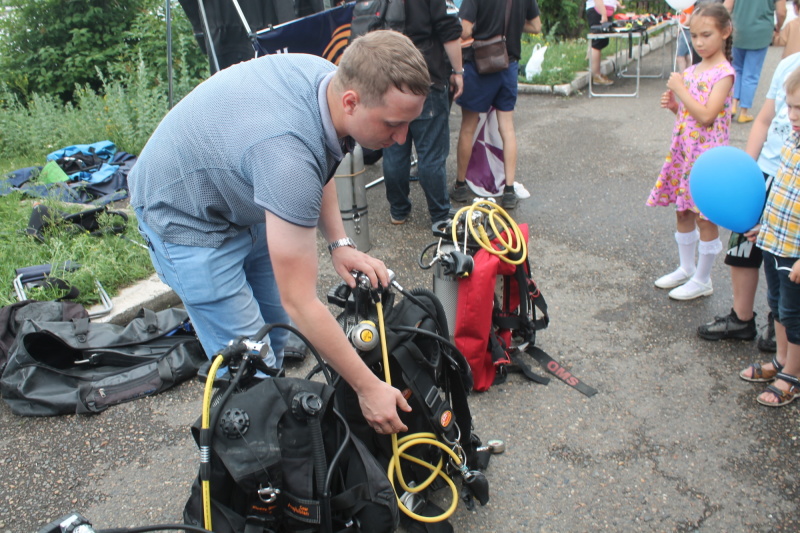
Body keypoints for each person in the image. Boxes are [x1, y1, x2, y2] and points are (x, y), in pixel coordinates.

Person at [128, 30, 431, 435]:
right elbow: (301, 302)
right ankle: (256, 461)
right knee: (252, 369)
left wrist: (339, 244)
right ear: (351, 102)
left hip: (246, 191)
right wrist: (368, 387)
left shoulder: (328, 79)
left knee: (283, 337)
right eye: (394, 124)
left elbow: (322, 155)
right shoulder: (286, 158)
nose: (401, 139)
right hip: (185, 217)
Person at [697, 54, 800, 348]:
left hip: (794, 181)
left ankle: (780, 323)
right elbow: (765, 119)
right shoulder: (788, 64)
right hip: (766, 172)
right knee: (743, 247)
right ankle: (741, 318)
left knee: (785, 261)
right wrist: (749, 169)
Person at [646, 3, 734, 301]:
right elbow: (692, 117)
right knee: (683, 210)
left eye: (706, 35)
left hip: (708, 159)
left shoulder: (724, 73)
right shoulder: (694, 69)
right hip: (685, 153)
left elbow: (708, 116)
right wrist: (675, 107)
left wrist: (681, 91)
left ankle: (703, 277)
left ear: (725, 32)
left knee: (704, 216)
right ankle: (686, 267)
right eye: (694, 36)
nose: (699, 42)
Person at [738, 66, 800, 406]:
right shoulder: (791, 142)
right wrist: (767, 228)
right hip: (777, 241)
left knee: (795, 314)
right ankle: (780, 359)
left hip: (796, 253)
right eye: (790, 107)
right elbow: (783, 197)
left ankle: (793, 374)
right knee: (777, 307)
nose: (792, 116)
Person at [449, 0, 541, 210]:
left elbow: (464, 30)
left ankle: (460, 185)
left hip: (480, 64)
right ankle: (508, 190)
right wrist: (511, 28)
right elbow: (536, 26)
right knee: (507, 129)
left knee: (468, 128)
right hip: (508, 65)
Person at [382, 0, 464, 226]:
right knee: (431, 153)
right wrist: (458, 71)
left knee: (394, 149)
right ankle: (439, 215)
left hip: (391, 78)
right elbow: (449, 30)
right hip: (425, 77)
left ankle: (398, 210)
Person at [725, 0, 787, 123]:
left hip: (738, 29)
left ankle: (733, 105)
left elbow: (727, 6)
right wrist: (778, 27)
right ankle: (744, 111)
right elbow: (781, 12)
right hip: (760, 31)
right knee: (751, 73)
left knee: (737, 69)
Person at [585, 0, 622, 86]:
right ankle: (596, 75)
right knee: (597, 42)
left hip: (602, 11)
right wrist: (603, 14)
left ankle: (598, 73)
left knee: (602, 41)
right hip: (598, 11)